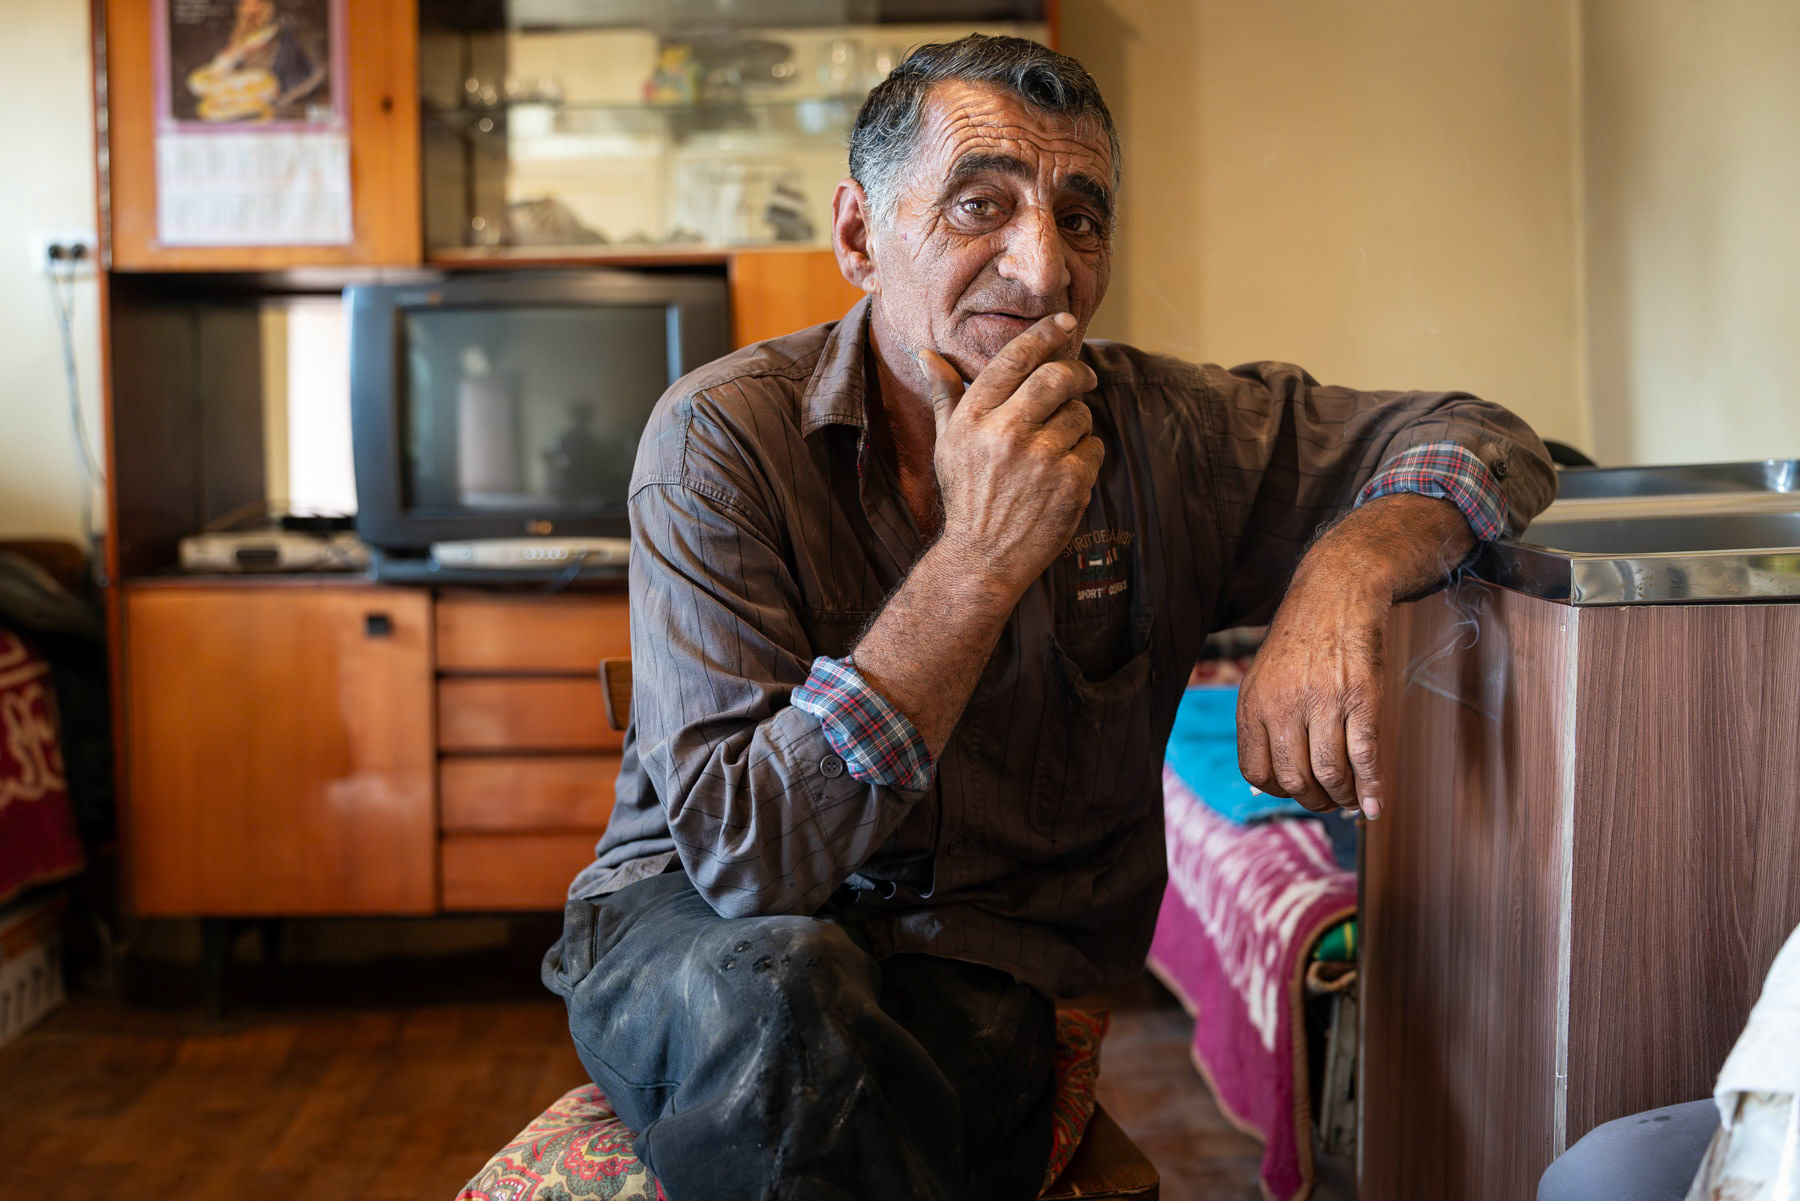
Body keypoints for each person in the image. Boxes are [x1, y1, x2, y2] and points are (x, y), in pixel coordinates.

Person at [543, 34, 1555, 1201]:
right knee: (786, 995)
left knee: (907, 1047)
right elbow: (750, 861)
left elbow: (1489, 436)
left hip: (976, 960)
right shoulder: (719, 440)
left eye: (1081, 218)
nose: (1043, 270)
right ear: (860, 237)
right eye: (981, 206)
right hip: (697, 935)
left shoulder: (1166, 429)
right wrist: (979, 559)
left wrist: (1349, 566)